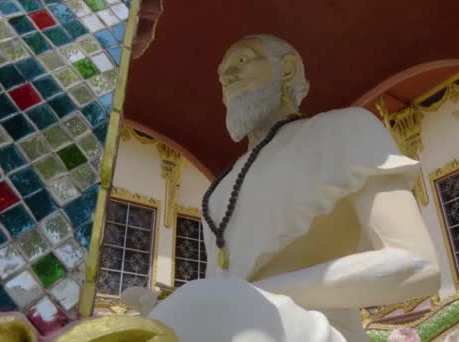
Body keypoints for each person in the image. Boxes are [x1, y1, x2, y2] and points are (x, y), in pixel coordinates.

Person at [147, 34, 440, 342]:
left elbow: (418, 265)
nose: (227, 77)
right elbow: (221, 291)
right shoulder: (220, 190)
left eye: (243, 61)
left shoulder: (344, 130)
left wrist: (252, 296)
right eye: (221, 75)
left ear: (286, 69)